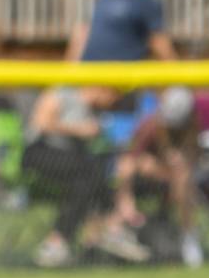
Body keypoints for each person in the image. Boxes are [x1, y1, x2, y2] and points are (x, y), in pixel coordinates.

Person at [24, 86, 149, 266]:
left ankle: (62, 241)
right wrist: (79, 130)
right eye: (113, 100)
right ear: (105, 90)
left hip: (75, 166)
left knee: (92, 175)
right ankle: (108, 228)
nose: (112, 106)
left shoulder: (96, 114)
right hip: (40, 154)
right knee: (90, 171)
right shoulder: (62, 94)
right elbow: (41, 123)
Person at [112, 86, 204, 267]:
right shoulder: (150, 125)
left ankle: (188, 235)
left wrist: (178, 160)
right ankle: (121, 219)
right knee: (135, 165)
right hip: (148, 179)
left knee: (183, 175)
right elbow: (128, 161)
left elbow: (193, 160)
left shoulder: (192, 126)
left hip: (177, 182)